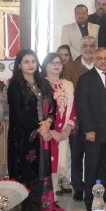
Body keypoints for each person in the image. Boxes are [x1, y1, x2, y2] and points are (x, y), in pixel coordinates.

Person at [7, 49, 61, 211]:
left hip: (42, 137)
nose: (31, 65)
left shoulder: (42, 82)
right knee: (24, 175)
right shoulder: (15, 86)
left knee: (40, 175)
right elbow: (19, 114)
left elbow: (53, 106)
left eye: (33, 61)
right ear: (19, 65)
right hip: (23, 138)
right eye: (26, 62)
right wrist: (41, 127)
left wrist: (49, 122)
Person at [75, 47, 106, 210]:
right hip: (94, 131)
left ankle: (103, 193)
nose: (103, 61)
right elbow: (82, 106)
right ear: (94, 59)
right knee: (92, 166)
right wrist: (88, 129)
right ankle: (89, 199)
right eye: (99, 58)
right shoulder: (85, 79)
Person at [62, 35, 96, 200]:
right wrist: (71, 120)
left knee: (93, 157)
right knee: (76, 156)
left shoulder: (100, 64)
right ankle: (78, 187)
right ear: (80, 48)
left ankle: (92, 187)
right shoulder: (70, 67)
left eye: (92, 45)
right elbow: (67, 95)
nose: (88, 48)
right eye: (85, 45)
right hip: (76, 120)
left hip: (95, 121)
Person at [41, 53, 76, 198]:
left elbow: (73, 109)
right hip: (45, 134)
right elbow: (40, 110)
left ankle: (52, 199)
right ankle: (45, 200)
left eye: (59, 63)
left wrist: (67, 130)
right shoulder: (40, 83)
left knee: (59, 165)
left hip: (63, 133)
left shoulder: (68, 85)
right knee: (47, 166)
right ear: (45, 65)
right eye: (52, 63)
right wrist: (51, 131)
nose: (56, 65)